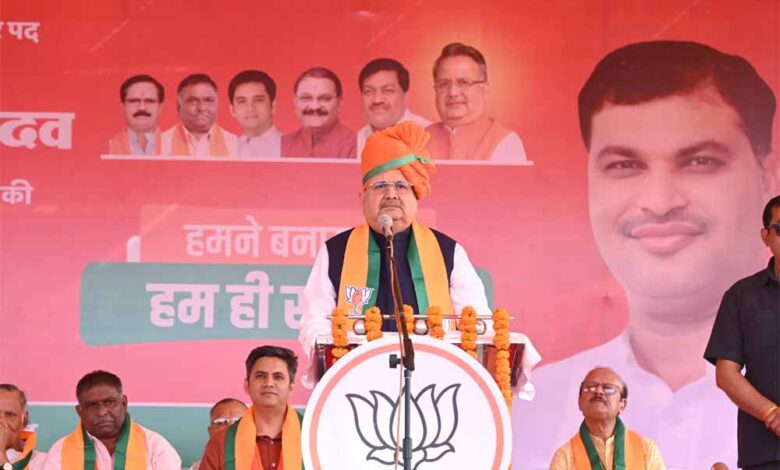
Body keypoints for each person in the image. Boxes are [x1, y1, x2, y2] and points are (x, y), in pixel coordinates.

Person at [512, 40, 777, 469]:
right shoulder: (535, 405)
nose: (659, 202)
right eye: (625, 165)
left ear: (769, 173)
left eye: (700, 161)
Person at [298, 121, 491, 387]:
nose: (391, 194)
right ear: (362, 197)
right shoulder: (335, 252)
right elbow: (315, 322)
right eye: (379, 186)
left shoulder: (449, 252)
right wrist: (339, 364)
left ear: (416, 195)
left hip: (435, 386)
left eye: (401, 186)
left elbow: (477, 323)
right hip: (356, 387)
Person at [705, 196, 780, 469]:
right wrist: (772, 413)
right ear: (766, 236)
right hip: (765, 453)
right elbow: (726, 374)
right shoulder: (742, 296)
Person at [43, 370, 181, 469]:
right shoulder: (60, 452)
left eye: (109, 402)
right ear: (80, 411)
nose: (102, 412)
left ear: (124, 403)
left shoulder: (155, 447)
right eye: (92, 405)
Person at [199, 346, 302, 470]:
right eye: (260, 376)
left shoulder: (313, 437)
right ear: (247, 385)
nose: (269, 383)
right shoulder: (221, 443)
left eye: (278, 377)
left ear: (291, 387)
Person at [426, 42, 528, 162]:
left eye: (463, 82)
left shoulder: (506, 143)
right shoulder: (419, 141)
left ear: (484, 90)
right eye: (443, 84)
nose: (453, 93)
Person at [549, 367, 665, 469]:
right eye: (590, 387)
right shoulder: (565, 456)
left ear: (622, 405)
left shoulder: (646, 450)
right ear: (579, 402)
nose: (598, 392)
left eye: (608, 388)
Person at [356, 58, 430, 157]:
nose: (377, 100)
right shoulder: (356, 141)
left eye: (388, 90)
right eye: (368, 91)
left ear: (406, 96)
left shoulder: (428, 137)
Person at [281, 67, 356, 158]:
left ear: (339, 103)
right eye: (306, 98)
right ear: (295, 102)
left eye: (324, 98)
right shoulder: (281, 146)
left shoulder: (357, 146)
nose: (314, 107)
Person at [161, 73, 236, 157]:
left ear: (217, 104)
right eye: (193, 101)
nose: (201, 108)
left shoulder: (234, 144)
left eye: (208, 100)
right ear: (178, 106)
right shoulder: (162, 143)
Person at [228, 70, 282, 158]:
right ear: (232, 110)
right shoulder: (226, 151)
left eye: (258, 100)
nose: (250, 108)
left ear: (272, 106)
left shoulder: (290, 148)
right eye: (242, 101)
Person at [108, 75, 164, 155]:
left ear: (160, 107)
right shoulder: (108, 146)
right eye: (134, 101)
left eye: (149, 101)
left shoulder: (174, 146)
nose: (142, 108)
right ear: (123, 107)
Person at [190, 398, 247, 470]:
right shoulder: (198, 468)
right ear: (211, 432)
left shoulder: (260, 460)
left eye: (238, 421)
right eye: (222, 422)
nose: (231, 427)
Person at [0, 384, 45, 470]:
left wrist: (2, 457)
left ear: (24, 420)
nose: (2, 422)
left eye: (10, 415)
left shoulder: (43, 462)